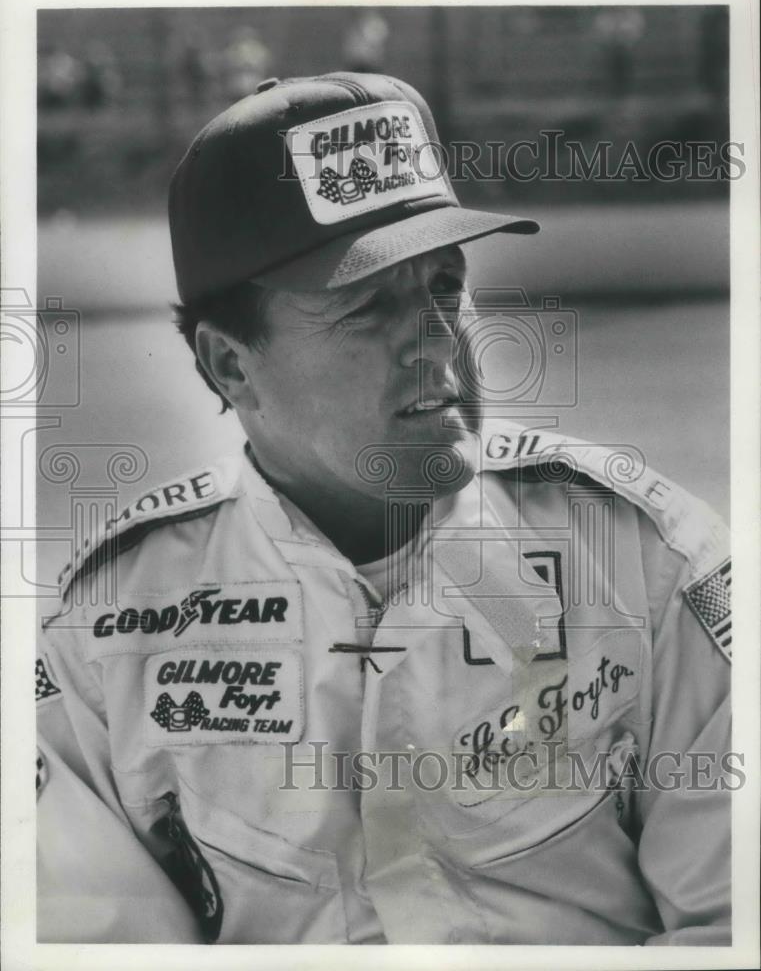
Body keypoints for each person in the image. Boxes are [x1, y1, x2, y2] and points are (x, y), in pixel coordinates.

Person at [37, 72, 731, 945]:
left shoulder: (649, 563)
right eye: (367, 307)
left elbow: (732, 927)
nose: (439, 341)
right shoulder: (107, 627)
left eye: (444, 284)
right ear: (229, 365)